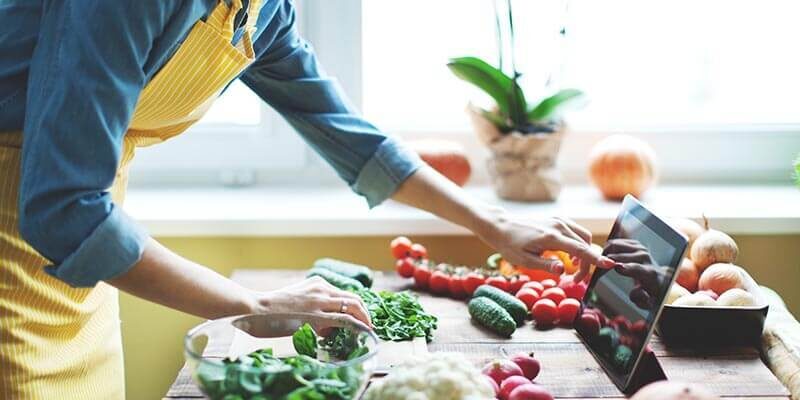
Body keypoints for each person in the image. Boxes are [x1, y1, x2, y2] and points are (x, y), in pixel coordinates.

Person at [0, 1, 614, 398]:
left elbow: (349, 136)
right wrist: (256, 303)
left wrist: (494, 222)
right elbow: (62, 205)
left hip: (84, 262)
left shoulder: (261, 9)